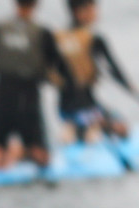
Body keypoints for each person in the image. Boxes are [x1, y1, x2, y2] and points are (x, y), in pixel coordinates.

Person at [0, 0, 58, 171]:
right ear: (36, 5)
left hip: (1, 91)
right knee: (42, 157)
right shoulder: (43, 32)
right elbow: (53, 64)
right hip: (28, 94)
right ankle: (19, 152)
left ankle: (7, 153)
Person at [52, 0, 132, 145]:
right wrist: (129, 86)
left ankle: (74, 128)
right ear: (80, 12)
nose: (96, 13)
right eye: (93, 9)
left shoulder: (57, 38)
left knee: (93, 120)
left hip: (63, 109)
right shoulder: (94, 39)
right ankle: (85, 131)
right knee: (122, 128)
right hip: (88, 105)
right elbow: (114, 69)